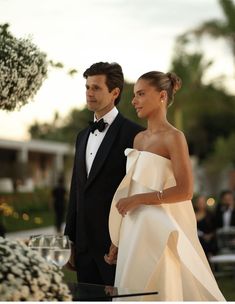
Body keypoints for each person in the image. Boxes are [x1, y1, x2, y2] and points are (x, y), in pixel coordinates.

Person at [107, 71, 225, 301]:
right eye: (134, 95)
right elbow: (133, 188)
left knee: (159, 288)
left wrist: (138, 200)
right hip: (133, 229)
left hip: (157, 229)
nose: (134, 101)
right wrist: (118, 238)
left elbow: (185, 191)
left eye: (141, 94)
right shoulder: (139, 139)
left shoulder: (174, 137)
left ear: (162, 95)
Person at [64, 62, 143, 285]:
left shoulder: (135, 134)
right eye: (87, 87)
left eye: (96, 88)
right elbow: (77, 190)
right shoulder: (81, 136)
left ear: (115, 92)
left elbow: (137, 190)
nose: (89, 93)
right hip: (83, 248)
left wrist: (122, 239)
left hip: (116, 247)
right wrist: (70, 240)